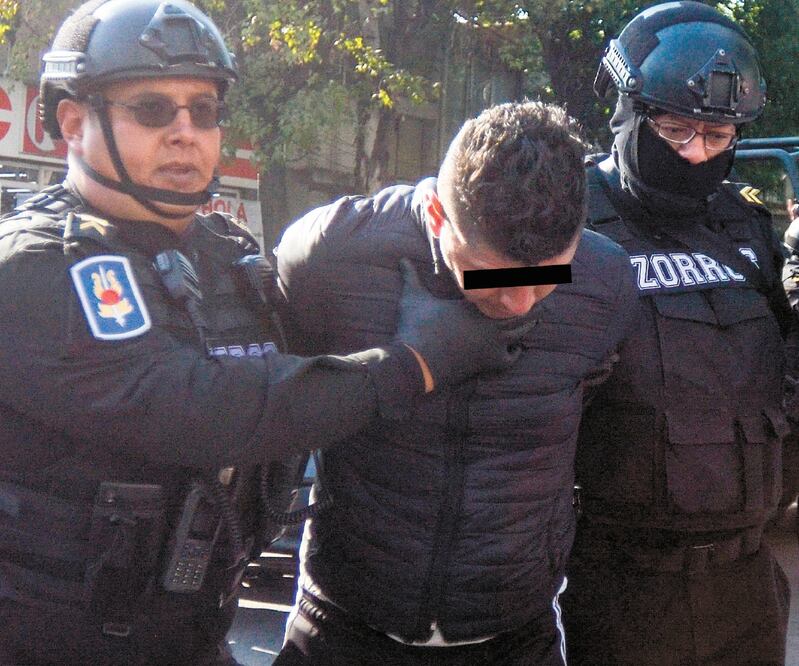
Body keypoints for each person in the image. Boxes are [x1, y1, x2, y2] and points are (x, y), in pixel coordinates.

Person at [0, 1, 532, 664]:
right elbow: (199, 409)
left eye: (205, 109)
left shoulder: (226, 256)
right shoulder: (35, 267)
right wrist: (414, 364)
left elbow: (310, 372)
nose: (185, 132)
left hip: (196, 639)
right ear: (74, 123)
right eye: (152, 110)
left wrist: (478, 274)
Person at [271, 100, 638, 666]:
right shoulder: (328, 257)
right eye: (494, 274)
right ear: (440, 218)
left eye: (546, 280)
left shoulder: (606, 280)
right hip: (345, 623)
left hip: (515, 635)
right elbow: (281, 404)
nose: (519, 303)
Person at [563, 3, 795, 664]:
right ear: (629, 115)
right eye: (675, 130)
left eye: (718, 138)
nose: (696, 153)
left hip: (746, 588)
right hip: (614, 590)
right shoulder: (562, 221)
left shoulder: (745, 228)